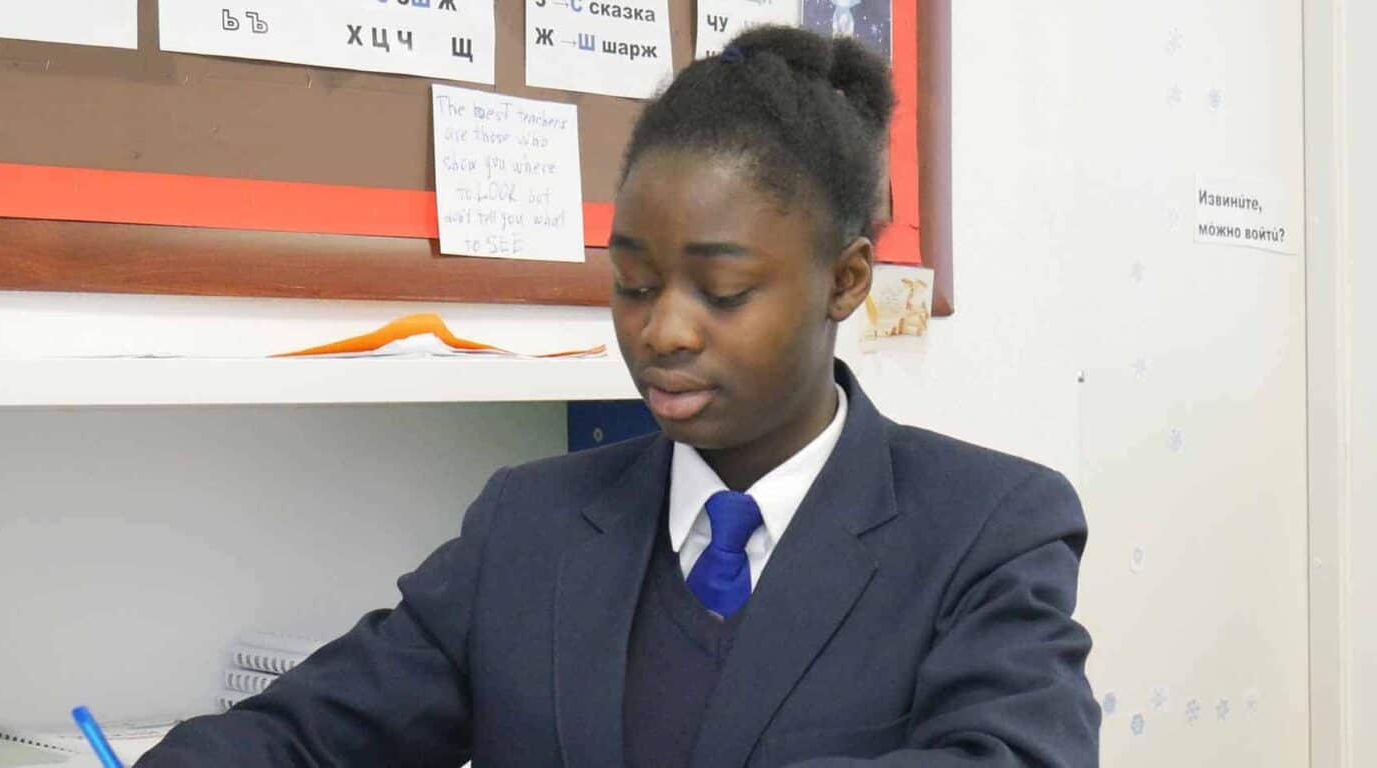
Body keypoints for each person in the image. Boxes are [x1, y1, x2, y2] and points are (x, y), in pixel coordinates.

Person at [138, 25, 1100, 768]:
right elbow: (309, 735)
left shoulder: (988, 527)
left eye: (722, 292)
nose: (664, 331)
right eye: (634, 285)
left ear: (846, 281)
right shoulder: (532, 526)